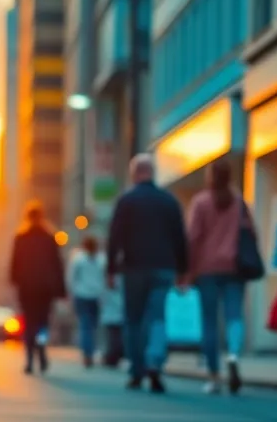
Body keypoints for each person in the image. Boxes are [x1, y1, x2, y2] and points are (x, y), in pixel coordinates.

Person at [106, 155, 188, 393]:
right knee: (157, 317)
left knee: (133, 319)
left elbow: (114, 237)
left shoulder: (126, 201)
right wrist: (183, 269)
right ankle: (155, 360)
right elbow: (180, 237)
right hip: (163, 267)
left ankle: (136, 370)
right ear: (153, 173)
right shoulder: (169, 201)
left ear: (134, 174)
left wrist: (111, 269)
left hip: (133, 267)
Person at [186, 158, 254, 395]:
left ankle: (214, 376)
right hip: (234, 268)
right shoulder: (239, 202)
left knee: (209, 322)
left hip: (207, 271)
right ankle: (233, 355)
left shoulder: (201, 202)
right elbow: (251, 233)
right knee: (234, 316)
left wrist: (188, 271)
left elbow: (193, 239)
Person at [9, 203, 66, 374]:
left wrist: (15, 281)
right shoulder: (49, 238)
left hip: (26, 287)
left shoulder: (21, 238)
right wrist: (61, 289)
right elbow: (57, 264)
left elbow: (14, 264)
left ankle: (29, 358)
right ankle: (41, 348)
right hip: (45, 288)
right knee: (43, 322)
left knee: (29, 323)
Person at [67, 236, 105, 368]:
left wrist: (71, 293)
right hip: (95, 295)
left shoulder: (78, 259)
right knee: (92, 325)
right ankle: (90, 351)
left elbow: (71, 278)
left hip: (82, 294)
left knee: (85, 324)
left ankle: (87, 352)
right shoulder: (101, 260)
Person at [100, 273, 124, 367]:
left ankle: (112, 356)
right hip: (113, 314)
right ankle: (112, 356)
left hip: (114, 314)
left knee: (113, 337)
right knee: (113, 336)